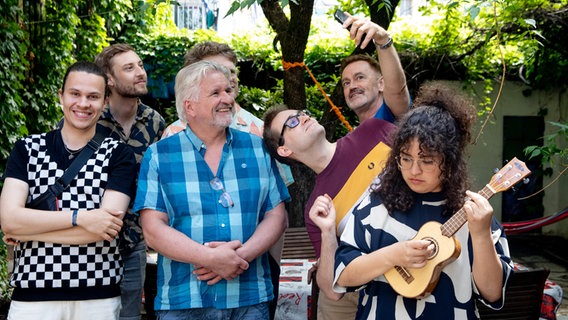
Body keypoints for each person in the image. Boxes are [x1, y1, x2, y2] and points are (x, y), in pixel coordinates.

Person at [332, 82, 514, 319]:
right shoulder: (375, 206)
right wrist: (392, 255)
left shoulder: (475, 216)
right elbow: (343, 275)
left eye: (427, 161)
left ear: (449, 162)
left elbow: (492, 293)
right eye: (405, 158)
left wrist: (480, 235)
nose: (413, 170)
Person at [134, 60, 290, 320]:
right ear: (190, 106)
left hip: (249, 296)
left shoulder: (257, 148)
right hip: (184, 299)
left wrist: (238, 258)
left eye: (228, 91)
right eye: (216, 93)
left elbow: (277, 215)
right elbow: (153, 231)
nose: (227, 98)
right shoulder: (160, 155)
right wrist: (210, 258)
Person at [0, 61, 137, 320]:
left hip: (98, 296)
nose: (83, 104)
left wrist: (29, 228)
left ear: (105, 102)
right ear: (61, 96)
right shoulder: (26, 149)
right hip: (32, 296)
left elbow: (105, 229)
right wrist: (81, 218)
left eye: (93, 97)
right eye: (75, 94)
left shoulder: (119, 155)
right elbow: (9, 221)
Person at [262, 104, 396, 319]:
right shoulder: (316, 209)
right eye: (292, 122)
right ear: (284, 150)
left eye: (303, 113)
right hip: (382, 298)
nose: (304, 118)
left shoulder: (373, 130)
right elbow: (332, 291)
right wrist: (327, 232)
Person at [94, 43, 166, 320]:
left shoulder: (155, 122)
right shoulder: (89, 119)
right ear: (109, 80)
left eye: (140, 65)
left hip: (135, 241)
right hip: (91, 239)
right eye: (129, 68)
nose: (141, 72)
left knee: (129, 314)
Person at [338, 13, 410, 123]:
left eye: (360, 77)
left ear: (381, 84)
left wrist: (383, 40)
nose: (352, 86)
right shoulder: (354, 138)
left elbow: (397, 92)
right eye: (346, 83)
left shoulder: (393, 113)